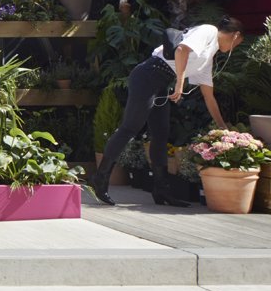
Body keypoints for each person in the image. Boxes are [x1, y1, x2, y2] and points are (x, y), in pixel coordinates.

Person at [91, 17, 244, 207]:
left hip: (161, 82)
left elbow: (209, 96)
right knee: (130, 127)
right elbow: (181, 50)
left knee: (161, 134)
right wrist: (180, 83)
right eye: (237, 43)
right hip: (147, 75)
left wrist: (223, 128)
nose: (234, 48)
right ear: (235, 35)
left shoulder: (208, 58)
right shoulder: (209, 31)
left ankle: (161, 190)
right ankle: (101, 178)